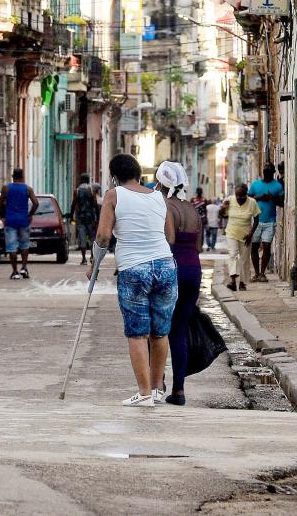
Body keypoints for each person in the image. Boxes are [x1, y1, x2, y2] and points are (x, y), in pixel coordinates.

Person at [93, 154, 177, 407]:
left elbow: (103, 236)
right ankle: (155, 390)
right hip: (165, 265)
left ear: (114, 176)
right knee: (160, 332)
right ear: (140, 174)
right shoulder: (159, 197)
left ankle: (143, 394)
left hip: (133, 269)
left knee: (137, 333)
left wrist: (94, 266)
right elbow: (170, 236)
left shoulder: (113, 195)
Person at [156, 162, 202, 406]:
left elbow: (168, 240)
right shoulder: (193, 210)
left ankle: (158, 380)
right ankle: (179, 390)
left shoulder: (165, 206)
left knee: (160, 328)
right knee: (180, 330)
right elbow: (198, 246)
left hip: (172, 269)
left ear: (162, 182)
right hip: (193, 270)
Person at [0, 168, 38, 280]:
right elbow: (35, 203)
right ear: (23, 176)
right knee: (24, 245)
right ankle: (24, 268)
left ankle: (15, 271)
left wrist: (3, 215)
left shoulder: (6, 188)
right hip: (23, 220)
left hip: (10, 220)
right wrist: (30, 214)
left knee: (12, 247)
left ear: (13, 176)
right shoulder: (28, 189)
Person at [248, 164, 284, 282]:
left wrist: (272, 198)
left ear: (273, 172)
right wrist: (260, 197)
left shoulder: (277, 186)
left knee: (267, 246)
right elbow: (248, 200)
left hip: (270, 221)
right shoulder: (255, 185)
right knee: (254, 246)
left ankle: (262, 273)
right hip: (256, 221)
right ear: (263, 172)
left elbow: (281, 203)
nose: (267, 172)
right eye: (265, 171)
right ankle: (256, 273)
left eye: (269, 171)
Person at [221, 184, 260, 292]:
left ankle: (242, 282)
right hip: (231, 232)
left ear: (246, 194)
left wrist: (251, 234)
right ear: (235, 195)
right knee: (232, 255)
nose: (240, 198)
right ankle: (233, 281)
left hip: (246, 235)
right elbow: (223, 215)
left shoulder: (252, 202)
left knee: (244, 258)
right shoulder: (229, 200)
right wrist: (223, 208)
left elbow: (256, 220)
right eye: (238, 196)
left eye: (243, 196)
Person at [71, 173, 98, 265]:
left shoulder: (77, 190)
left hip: (80, 217)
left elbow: (74, 204)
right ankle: (92, 256)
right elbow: (95, 204)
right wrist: (97, 217)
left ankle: (83, 259)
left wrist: (71, 216)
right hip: (90, 217)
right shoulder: (91, 190)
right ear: (88, 180)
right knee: (92, 237)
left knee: (82, 237)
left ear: (81, 180)